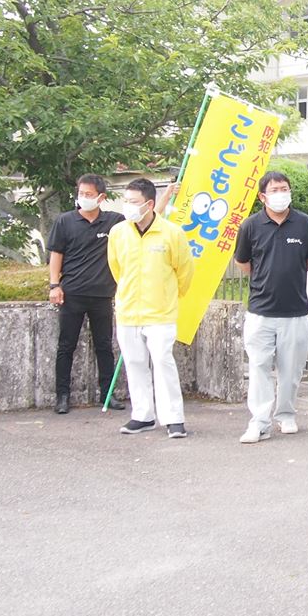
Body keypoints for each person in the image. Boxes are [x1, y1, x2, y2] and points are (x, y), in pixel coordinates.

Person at [234, 171, 308, 443]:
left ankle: (286, 414)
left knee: (291, 369)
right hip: (260, 310)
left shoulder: (304, 224)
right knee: (259, 367)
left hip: (295, 310)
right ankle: (259, 421)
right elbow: (244, 263)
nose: (281, 193)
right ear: (263, 196)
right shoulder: (250, 226)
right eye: (274, 190)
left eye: (284, 188)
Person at [107, 177, 194, 439]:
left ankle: (173, 418)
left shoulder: (171, 233)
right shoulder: (118, 232)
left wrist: (170, 295)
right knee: (134, 363)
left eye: (133, 202)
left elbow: (185, 271)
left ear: (149, 204)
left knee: (162, 362)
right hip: (128, 311)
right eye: (125, 201)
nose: (128, 206)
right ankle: (143, 415)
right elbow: (116, 268)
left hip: (160, 312)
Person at [46, 174, 127, 414]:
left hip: (103, 294)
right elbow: (56, 255)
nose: (83, 198)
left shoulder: (114, 222)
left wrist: (166, 197)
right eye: (81, 194)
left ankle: (107, 394)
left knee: (104, 346)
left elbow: (144, 222)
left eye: (89, 195)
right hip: (72, 293)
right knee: (66, 345)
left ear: (101, 197)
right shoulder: (65, 221)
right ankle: (62, 396)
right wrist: (54, 285)